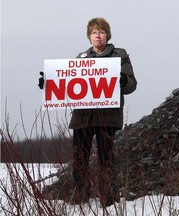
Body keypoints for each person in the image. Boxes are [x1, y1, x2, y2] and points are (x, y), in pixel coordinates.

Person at [38, 17, 137, 207]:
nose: (97, 36)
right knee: (79, 158)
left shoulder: (119, 56)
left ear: (107, 35)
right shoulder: (81, 59)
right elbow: (68, 83)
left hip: (107, 115)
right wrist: (49, 83)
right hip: (82, 116)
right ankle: (81, 196)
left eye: (100, 32)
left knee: (105, 158)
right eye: (93, 32)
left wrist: (124, 81)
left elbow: (132, 84)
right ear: (89, 37)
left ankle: (109, 199)